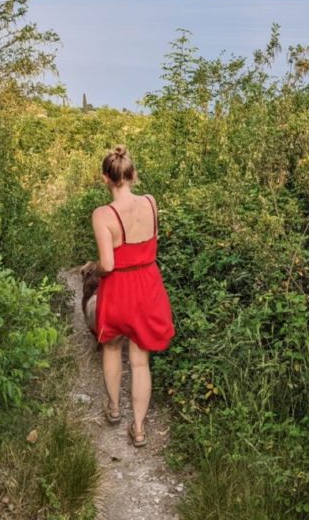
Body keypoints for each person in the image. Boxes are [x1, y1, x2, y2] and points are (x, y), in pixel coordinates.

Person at [89, 146, 175, 448]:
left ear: (105, 179)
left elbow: (108, 264)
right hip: (148, 284)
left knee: (111, 349)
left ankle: (114, 409)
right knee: (140, 362)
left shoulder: (103, 215)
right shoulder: (151, 203)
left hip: (118, 288)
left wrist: (93, 269)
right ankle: (138, 428)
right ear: (133, 174)